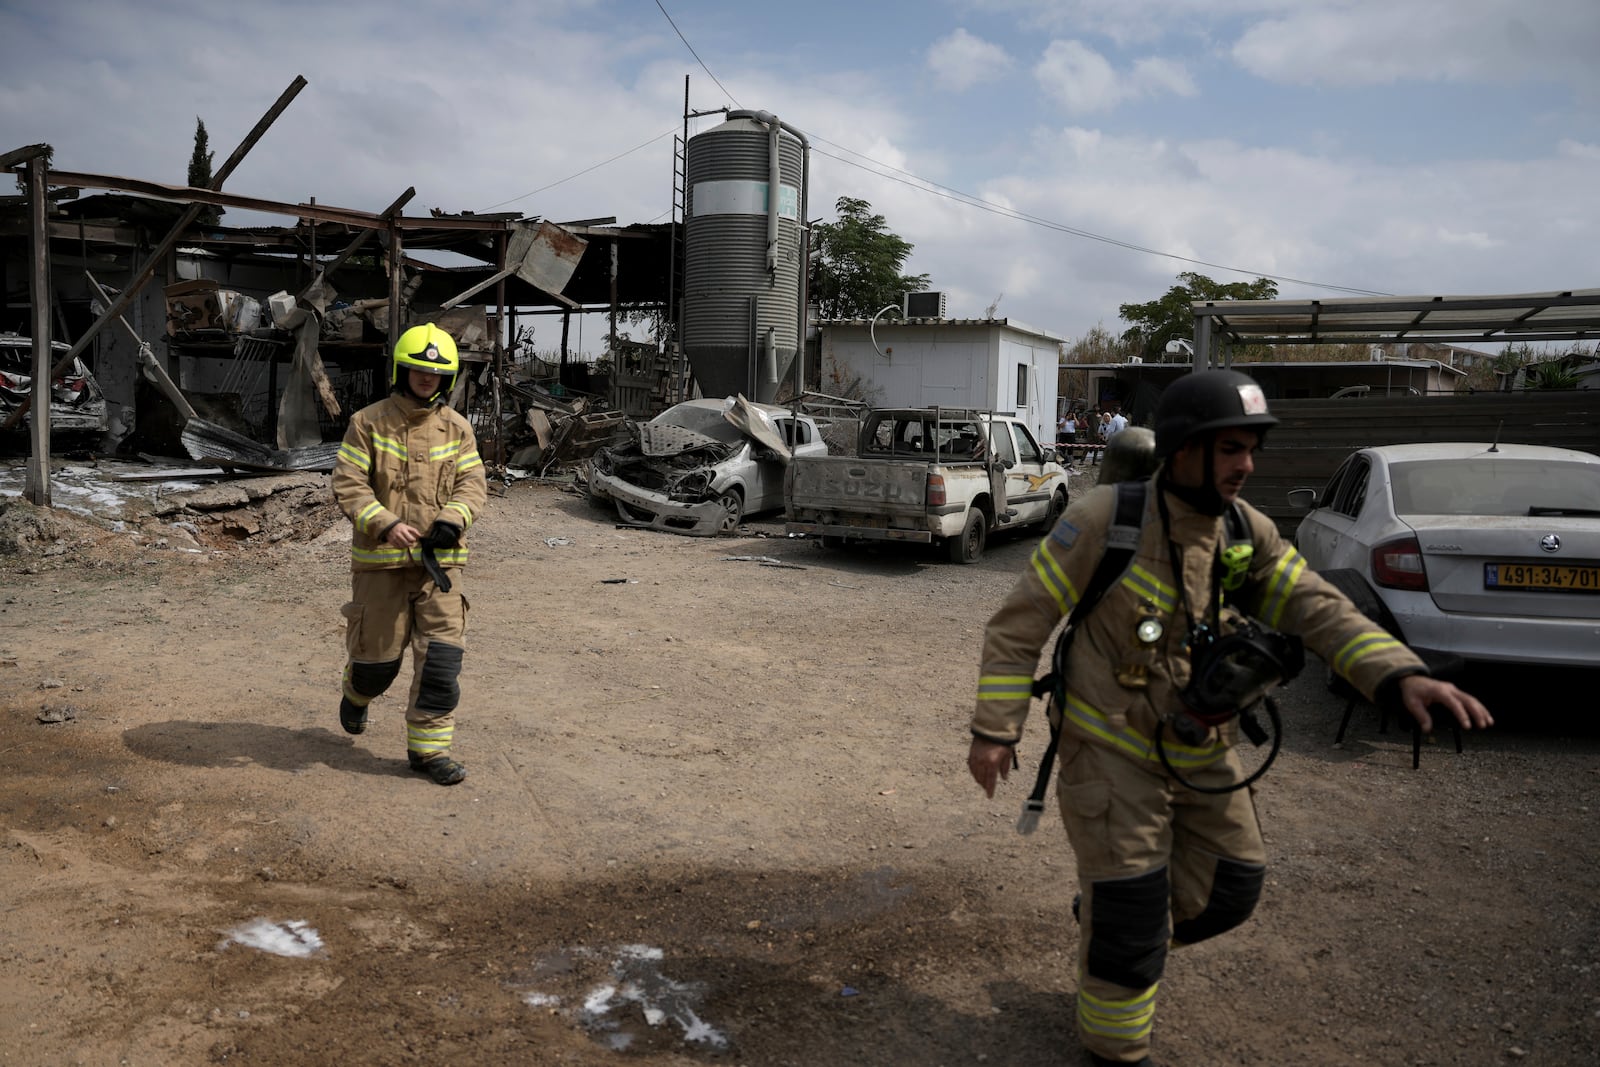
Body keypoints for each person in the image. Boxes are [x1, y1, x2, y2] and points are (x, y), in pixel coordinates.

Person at [965, 369, 1492, 1066]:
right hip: (1107, 750)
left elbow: (1315, 604)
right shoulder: (1105, 520)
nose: (1246, 464)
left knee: (1231, 886)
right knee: (1129, 915)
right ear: (1184, 448)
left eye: (1251, 449)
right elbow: (1018, 625)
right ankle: (1114, 1041)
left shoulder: (1245, 529)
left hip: (1198, 743)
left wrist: (1397, 672)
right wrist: (996, 730)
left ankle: (1112, 928)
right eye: (1231, 449)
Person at [331, 323, 489, 786]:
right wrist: (385, 523)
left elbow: (472, 484)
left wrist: (454, 520)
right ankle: (356, 692)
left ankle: (429, 752)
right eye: (419, 369)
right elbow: (349, 483)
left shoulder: (458, 428)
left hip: (440, 569)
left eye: (437, 373)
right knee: (376, 665)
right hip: (381, 567)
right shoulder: (368, 422)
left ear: (448, 378)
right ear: (403, 370)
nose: (427, 378)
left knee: (441, 662)